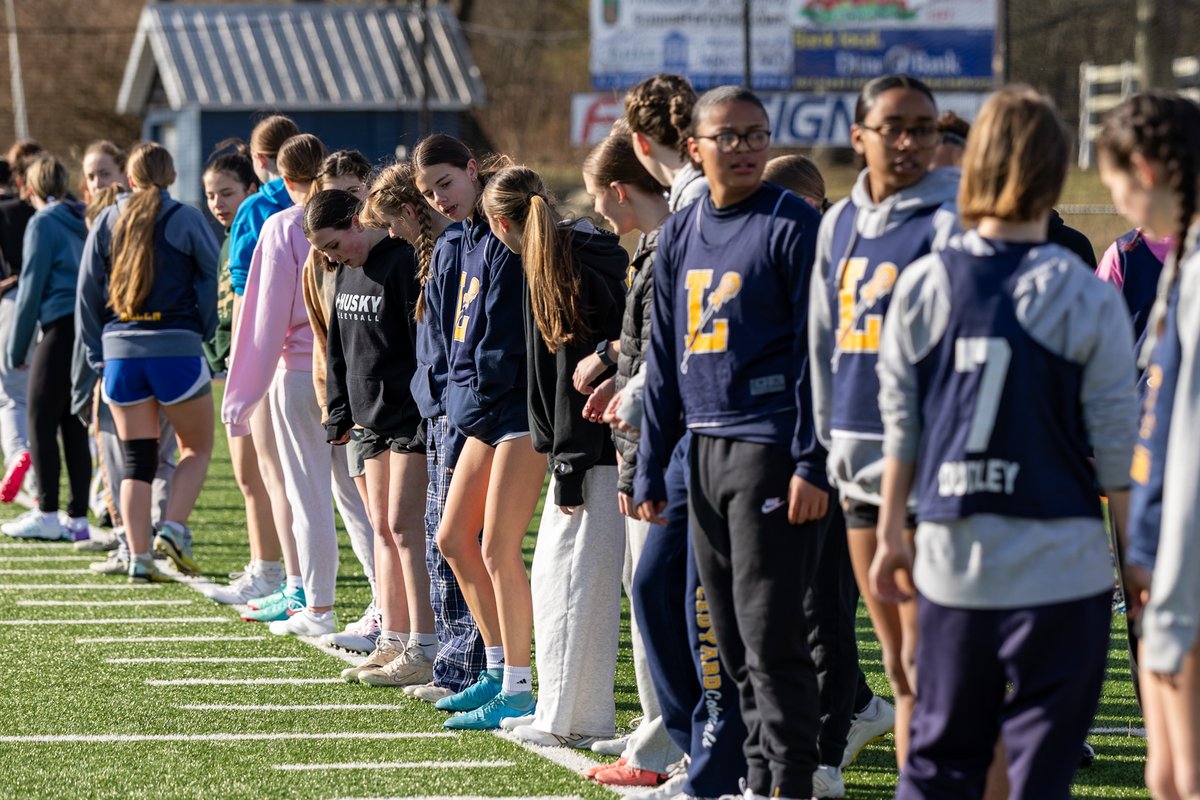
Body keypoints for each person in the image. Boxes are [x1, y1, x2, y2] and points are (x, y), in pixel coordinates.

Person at [869, 86, 1138, 800]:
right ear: (1057, 172)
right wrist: (1136, 560)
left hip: (957, 553)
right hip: (1064, 559)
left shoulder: (927, 282)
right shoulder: (1085, 291)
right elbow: (1116, 448)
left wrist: (893, 529)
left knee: (938, 765)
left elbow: (902, 427)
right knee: (1037, 777)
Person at [635, 85, 828, 800]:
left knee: (771, 631)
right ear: (696, 147)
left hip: (769, 447)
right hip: (701, 449)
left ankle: (792, 782)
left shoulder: (793, 224)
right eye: (730, 136)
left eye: (757, 135)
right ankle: (750, 773)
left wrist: (812, 459)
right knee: (727, 638)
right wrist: (651, 464)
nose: (746, 148)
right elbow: (665, 355)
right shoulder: (682, 230)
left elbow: (820, 352)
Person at [807, 74, 958, 789]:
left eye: (923, 127)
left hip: (935, 469)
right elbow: (822, 343)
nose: (908, 141)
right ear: (859, 133)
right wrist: (823, 446)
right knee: (899, 662)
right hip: (857, 465)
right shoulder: (837, 223)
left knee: (934, 662)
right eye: (893, 126)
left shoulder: (956, 221)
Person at [482, 165, 628, 748]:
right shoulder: (573, 250)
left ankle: (564, 717)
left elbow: (570, 377)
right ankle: (580, 714)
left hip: (595, 451)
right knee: (572, 582)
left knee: (567, 583)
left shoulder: (557, 265)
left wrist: (566, 463)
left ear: (499, 223)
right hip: (601, 446)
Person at [412, 134, 546, 731]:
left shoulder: (503, 237)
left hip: (513, 410)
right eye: (428, 192)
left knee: (495, 547)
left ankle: (519, 685)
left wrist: (471, 400)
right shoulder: (454, 244)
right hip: (474, 415)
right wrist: (445, 401)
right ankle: (495, 669)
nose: (440, 198)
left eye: (445, 183)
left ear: (472, 170)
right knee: (452, 540)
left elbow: (499, 343)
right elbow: (444, 338)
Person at [222, 134, 371, 635]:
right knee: (358, 497)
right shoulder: (371, 227)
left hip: (303, 374)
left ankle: (320, 607)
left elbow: (263, 323)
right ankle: (386, 608)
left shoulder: (284, 225)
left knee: (310, 493)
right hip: (356, 374)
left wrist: (241, 395)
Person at [1096, 91, 1200, 800]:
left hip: (1181, 549)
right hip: (1161, 540)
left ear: (1144, 169)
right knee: (1167, 768)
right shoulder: (1157, 265)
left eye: (1109, 175)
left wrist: (1164, 545)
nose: (1108, 193)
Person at [357, 162, 485, 700]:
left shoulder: (452, 247)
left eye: (392, 223)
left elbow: (459, 341)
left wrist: (437, 398)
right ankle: (454, 664)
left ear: (410, 212)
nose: (390, 235)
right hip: (437, 409)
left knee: (456, 540)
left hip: (455, 414)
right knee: (439, 541)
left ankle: (475, 664)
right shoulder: (433, 253)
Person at [579, 133, 684, 788]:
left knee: (663, 599)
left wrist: (628, 381)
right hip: (641, 440)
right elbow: (643, 345)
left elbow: (666, 355)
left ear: (620, 189)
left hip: (667, 447)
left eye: (599, 201)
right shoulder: (646, 247)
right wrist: (614, 367)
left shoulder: (671, 241)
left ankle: (676, 738)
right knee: (645, 593)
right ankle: (659, 728)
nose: (601, 215)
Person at [303, 186, 434, 685]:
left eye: (334, 245)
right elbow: (337, 344)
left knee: (405, 530)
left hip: (406, 418)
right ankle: (394, 639)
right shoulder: (344, 271)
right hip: (367, 421)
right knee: (381, 529)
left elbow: (419, 344)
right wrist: (338, 411)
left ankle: (424, 644)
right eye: (324, 252)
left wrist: (420, 411)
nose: (332, 257)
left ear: (357, 221)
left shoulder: (401, 261)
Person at [77, 142, 220, 582]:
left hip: (120, 353)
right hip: (176, 347)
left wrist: (96, 354)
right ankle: (173, 529)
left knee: (136, 461)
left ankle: (138, 556)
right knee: (194, 448)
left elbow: (87, 293)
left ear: (129, 178)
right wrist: (204, 330)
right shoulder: (186, 217)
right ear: (171, 176)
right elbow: (212, 278)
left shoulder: (107, 218)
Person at [298, 150, 380, 654]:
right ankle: (382, 604)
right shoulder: (319, 257)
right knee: (356, 508)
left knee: (393, 519)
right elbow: (323, 334)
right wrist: (333, 402)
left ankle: (398, 612)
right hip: (347, 399)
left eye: (353, 191)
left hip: (388, 405)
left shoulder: (384, 249)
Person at [221, 114, 301, 616]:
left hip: (279, 360)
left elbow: (243, 296)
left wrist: (237, 366)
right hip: (339, 362)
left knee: (265, 475)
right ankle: (293, 580)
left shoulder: (260, 211)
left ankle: (277, 574)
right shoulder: (339, 203)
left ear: (260, 161)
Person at [1, 156, 91, 541]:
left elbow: (32, 288)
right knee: (73, 423)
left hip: (57, 327)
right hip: (86, 327)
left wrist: (15, 350)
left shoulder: (43, 221)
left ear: (28, 188)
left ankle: (48, 512)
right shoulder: (84, 216)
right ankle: (78, 518)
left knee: (38, 417)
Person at [0, 139, 43, 504]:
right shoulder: (57, 213)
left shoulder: (6, 214)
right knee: (47, 399)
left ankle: (18, 456)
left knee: (11, 398)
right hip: (55, 312)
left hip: (12, 307)